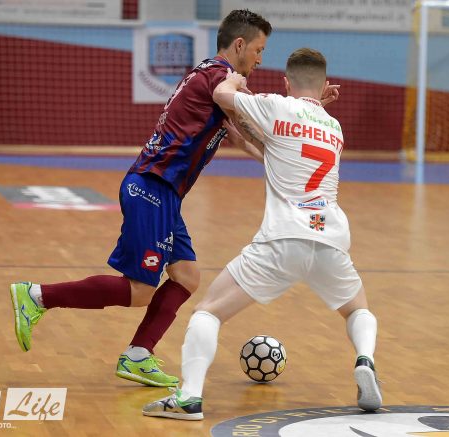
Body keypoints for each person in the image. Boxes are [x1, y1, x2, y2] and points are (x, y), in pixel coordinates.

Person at [8, 9, 273, 387]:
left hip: (165, 193)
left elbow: (241, 131)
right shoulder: (220, 77)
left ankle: (137, 355)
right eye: (259, 50)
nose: (260, 59)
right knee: (140, 291)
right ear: (240, 44)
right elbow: (238, 106)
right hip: (152, 187)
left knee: (186, 276)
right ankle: (36, 296)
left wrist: (272, 153)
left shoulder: (210, 76)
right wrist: (298, 117)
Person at [142, 48, 381, 421]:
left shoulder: (276, 106)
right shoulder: (334, 128)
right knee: (357, 309)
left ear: (285, 83)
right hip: (330, 238)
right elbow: (284, 151)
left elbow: (222, 95)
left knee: (208, 312)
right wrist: (249, 139)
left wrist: (235, 80)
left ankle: (188, 398)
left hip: (282, 240)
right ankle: (365, 359)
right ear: (323, 85)